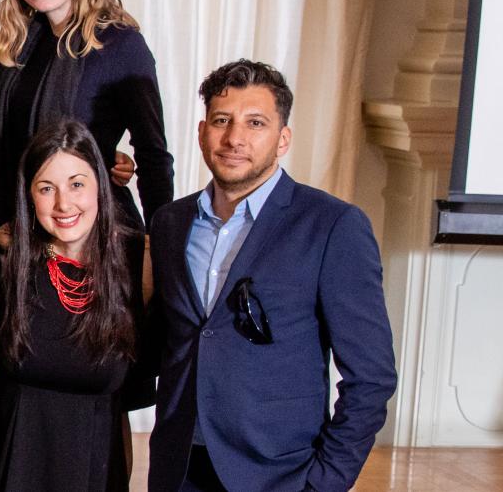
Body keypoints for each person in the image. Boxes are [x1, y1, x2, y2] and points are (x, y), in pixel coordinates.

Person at [146, 60, 395, 491]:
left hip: (281, 474)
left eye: (255, 123)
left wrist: (325, 481)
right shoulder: (170, 222)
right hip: (178, 466)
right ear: (203, 131)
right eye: (222, 121)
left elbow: (371, 378)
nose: (234, 137)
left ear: (283, 140)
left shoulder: (332, 225)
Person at [0, 120, 146, 492]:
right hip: (5, 457)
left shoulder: (139, 260)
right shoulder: (5, 258)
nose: (64, 204)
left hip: (93, 461)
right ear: (29, 194)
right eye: (47, 188)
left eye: (77, 184)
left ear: (101, 185)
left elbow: (127, 397)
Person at [0, 0, 171, 231]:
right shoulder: (19, 45)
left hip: (97, 233)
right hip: (25, 229)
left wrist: (161, 247)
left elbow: (152, 154)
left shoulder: (119, 45)